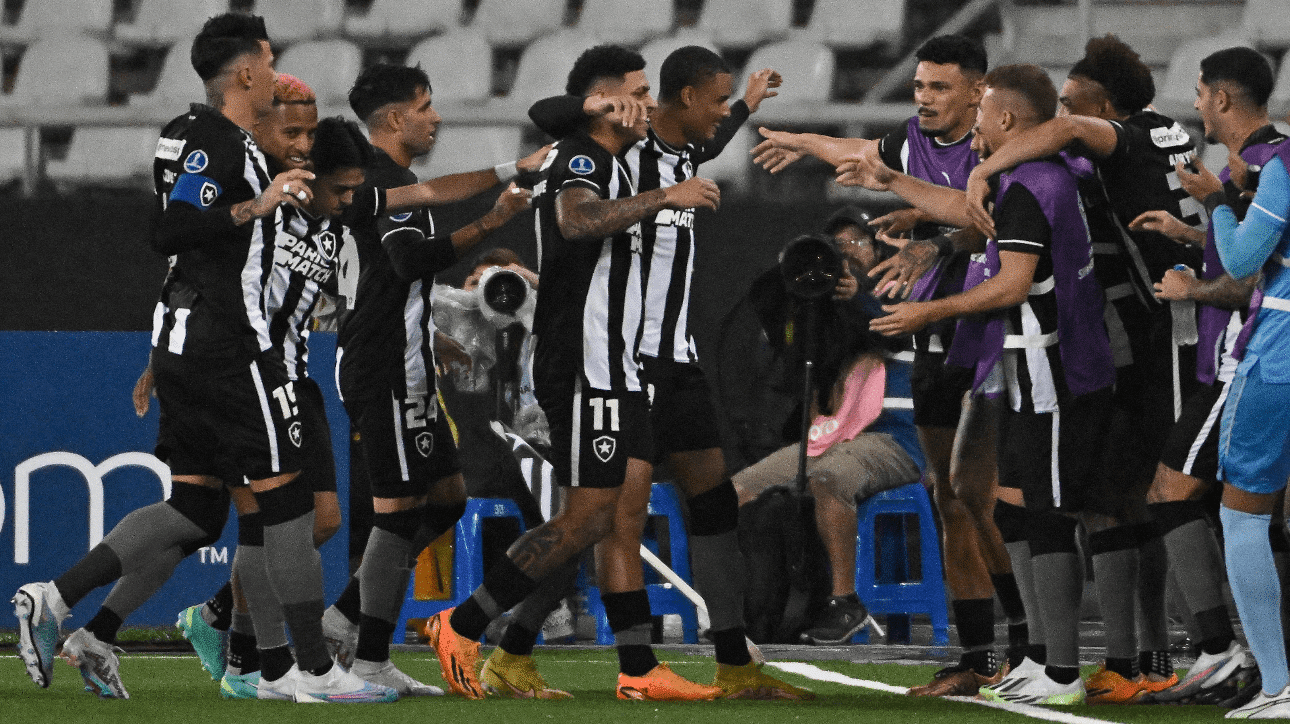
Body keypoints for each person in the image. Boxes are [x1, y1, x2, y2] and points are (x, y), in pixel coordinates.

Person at [13, 14, 396, 704]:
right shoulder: (225, 149)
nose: (301, 145)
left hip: (202, 347)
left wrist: (165, 348)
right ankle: (304, 670)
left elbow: (191, 254)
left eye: (309, 134)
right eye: (269, 63)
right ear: (248, 75)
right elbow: (173, 231)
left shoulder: (227, 150)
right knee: (285, 510)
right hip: (239, 354)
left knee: (195, 509)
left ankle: (68, 604)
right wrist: (256, 206)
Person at [499, 44, 810, 701]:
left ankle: (735, 666)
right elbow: (547, 114)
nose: (721, 114)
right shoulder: (614, 154)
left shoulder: (682, 151)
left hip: (678, 360)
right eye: (715, 99)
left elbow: (708, 136)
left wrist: (746, 104)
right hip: (621, 361)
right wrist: (598, 104)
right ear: (682, 98)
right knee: (613, 521)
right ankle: (623, 667)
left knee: (713, 506)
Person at [425, 44, 725, 702]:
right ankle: (462, 624)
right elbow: (576, 219)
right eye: (638, 92)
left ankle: (634, 668)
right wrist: (664, 196)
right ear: (606, 102)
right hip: (587, 362)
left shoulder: (611, 160)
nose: (649, 104)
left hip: (614, 363)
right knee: (588, 518)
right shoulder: (582, 157)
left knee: (605, 519)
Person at [756, 35, 1026, 695]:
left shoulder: (1001, 143)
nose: (925, 98)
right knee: (950, 499)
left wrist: (931, 243)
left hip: (994, 338)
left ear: (978, 90)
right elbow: (861, 153)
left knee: (993, 503)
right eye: (919, 85)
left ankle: (1029, 645)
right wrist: (804, 141)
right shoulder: (912, 139)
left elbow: (989, 217)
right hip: (933, 338)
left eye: (940, 87)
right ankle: (978, 657)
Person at [854, 64, 1117, 706]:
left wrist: (928, 312)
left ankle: (1062, 671)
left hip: (1054, 369)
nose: (973, 132)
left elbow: (1012, 284)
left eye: (981, 117)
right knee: (1014, 510)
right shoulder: (1037, 176)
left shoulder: (1031, 185)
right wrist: (891, 178)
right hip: (1028, 370)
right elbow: (964, 212)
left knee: (1046, 516)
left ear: (1004, 118)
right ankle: (1039, 659)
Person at [955, 34, 1206, 703]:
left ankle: (1174, 654)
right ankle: (1137, 657)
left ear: (1102, 108)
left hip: (1139, 343)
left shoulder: (1087, 159)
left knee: (1140, 501)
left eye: (1072, 103)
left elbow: (1059, 137)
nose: (1061, 116)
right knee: (1123, 502)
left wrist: (983, 170)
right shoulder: (1161, 138)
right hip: (1149, 337)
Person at [316, 61, 534, 696]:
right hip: (383, 366)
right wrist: (491, 222)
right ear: (393, 118)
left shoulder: (388, 181)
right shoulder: (383, 181)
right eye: (425, 105)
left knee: (446, 498)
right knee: (397, 514)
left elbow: (420, 225)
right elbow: (409, 259)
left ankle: (345, 618)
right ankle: (367, 656)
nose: (436, 117)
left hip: (402, 360)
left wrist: (509, 170)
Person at [1132, 46, 1286, 707]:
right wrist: (1198, 229)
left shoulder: (1272, 164)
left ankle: (1266, 676)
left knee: (1236, 515)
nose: (1195, 104)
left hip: (1270, 355)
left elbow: (1247, 261)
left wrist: (1215, 201)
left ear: (1222, 98)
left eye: (1199, 93)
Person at [732, 210, 925, 645]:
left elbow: (891, 330)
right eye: (836, 247)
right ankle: (758, 607)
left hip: (893, 437)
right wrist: (793, 282)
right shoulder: (825, 311)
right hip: (831, 437)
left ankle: (844, 602)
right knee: (738, 491)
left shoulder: (907, 291)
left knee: (829, 478)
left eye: (856, 243)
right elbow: (787, 360)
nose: (846, 254)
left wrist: (858, 297)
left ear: (879, 250)